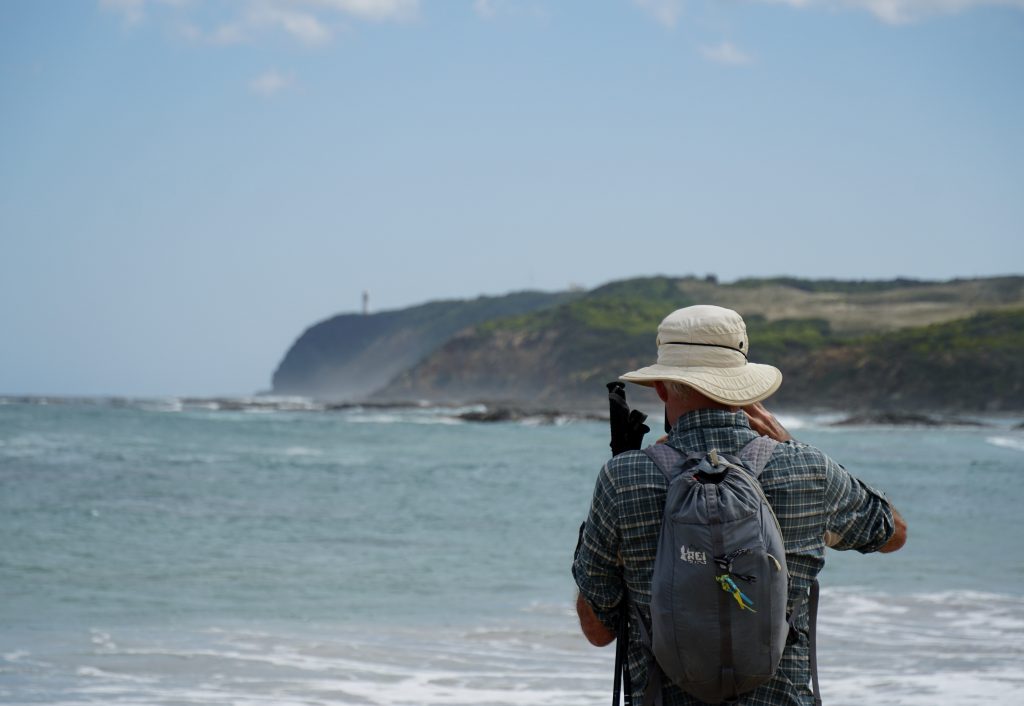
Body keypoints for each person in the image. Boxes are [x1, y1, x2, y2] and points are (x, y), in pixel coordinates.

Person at [572, 305, 907, 705]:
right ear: (745, 387)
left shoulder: (623, 478)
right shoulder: (807, 468)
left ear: (661, 387)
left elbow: (598, 631)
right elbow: (892, 534)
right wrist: (789, 444)